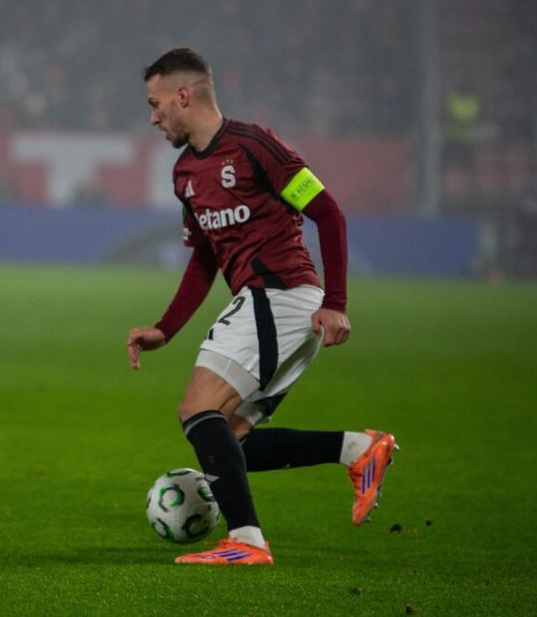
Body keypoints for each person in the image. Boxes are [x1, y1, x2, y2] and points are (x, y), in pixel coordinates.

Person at [126, 48, 397, 565]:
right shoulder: (185, 174)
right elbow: (204, 258)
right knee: (231, 439)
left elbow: (328, 213)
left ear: (183, 95)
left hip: (280, 297)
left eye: (155, 104)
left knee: (196, 411)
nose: (153, 117)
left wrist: (336, 302)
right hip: (266, 304)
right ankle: (358, 450)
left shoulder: (256, 147)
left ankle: (246, 542)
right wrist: (166, 328)